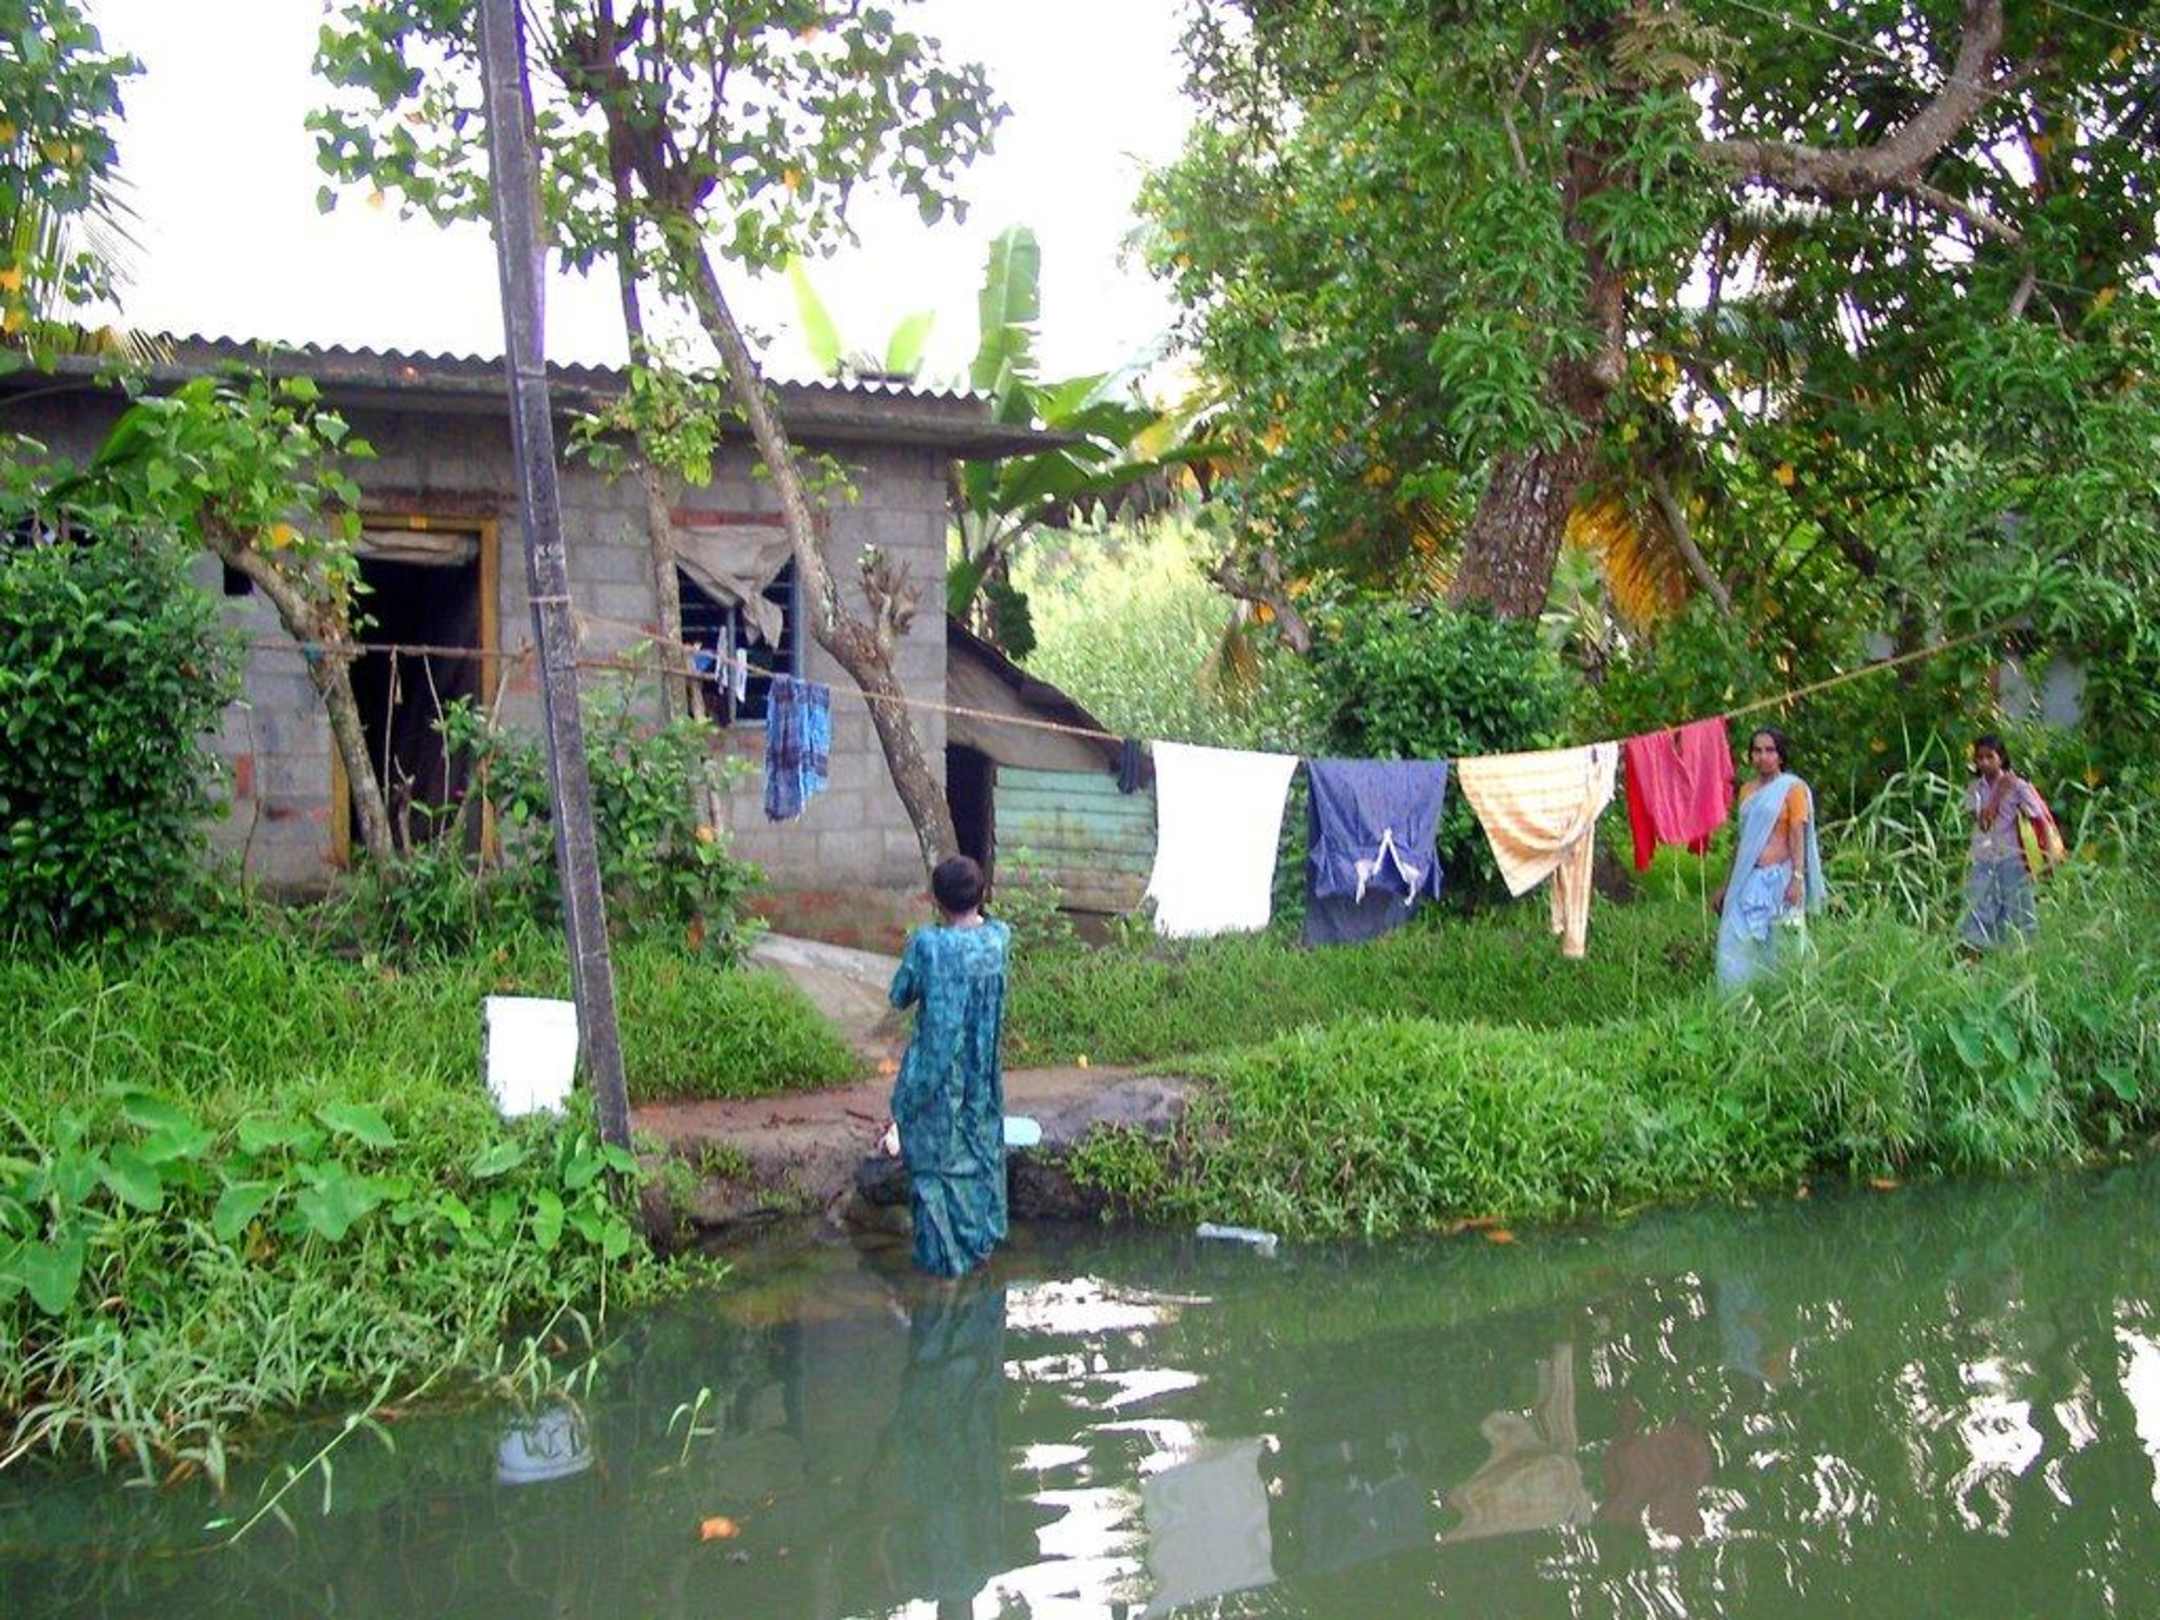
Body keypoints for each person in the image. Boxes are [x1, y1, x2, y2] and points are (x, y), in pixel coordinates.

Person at [886, 856, 1011, 1278]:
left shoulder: (929, 945)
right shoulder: (998, 939)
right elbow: (988, 930)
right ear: (981, 895)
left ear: (936, 899)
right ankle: (977, 1246)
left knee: (934, 1164)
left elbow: (900, 995)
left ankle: (942, 1268)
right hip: (980, 1074)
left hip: (936, 1072)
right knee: (978, 1149)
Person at [1712, 727, 1826, 990]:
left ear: (1780, 755)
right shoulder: (1747, 791)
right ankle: (1737, 997)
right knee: (1735, 937)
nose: (1763, 757)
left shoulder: (1792, 788)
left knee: (1782, 939)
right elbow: (1743, 841)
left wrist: (1797, 878)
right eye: (1757, 751)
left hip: (1781, 878)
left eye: (1770, 750)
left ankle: (1785, 994)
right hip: (1749, 877)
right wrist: (1727, 885)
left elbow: (1797, 834)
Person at [1959, 733, 2060, 950]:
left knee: (2019, 908)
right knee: (1978, 905)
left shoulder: (2018, 786)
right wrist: (1997, 795)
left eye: (1990, 757)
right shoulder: (1975, 788)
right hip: (1983, 856)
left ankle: (2024, 953)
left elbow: (2040, 817)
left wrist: (2049, 854)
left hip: (2011, 856)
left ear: (2001, 757)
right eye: (1980, 758)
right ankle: (1977, 951)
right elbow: (1982, 823)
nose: (1984, 762)